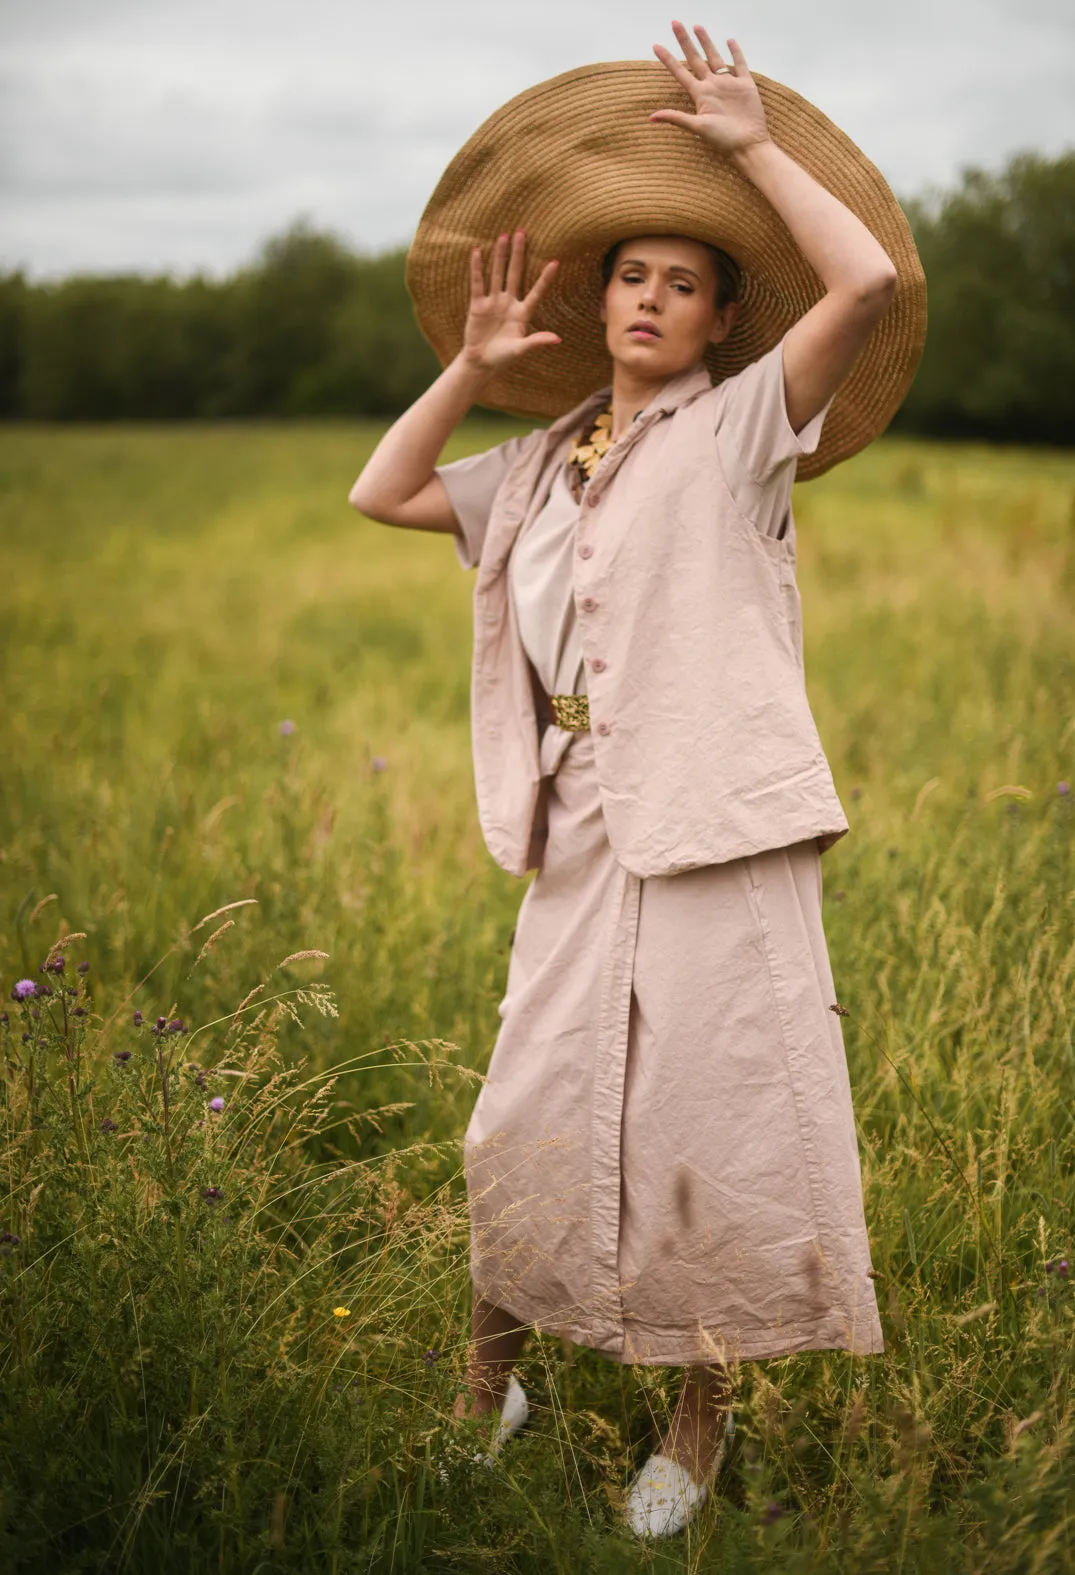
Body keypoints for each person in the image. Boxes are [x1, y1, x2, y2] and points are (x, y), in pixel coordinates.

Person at [350, 22, 924, 1540]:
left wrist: (746, 144)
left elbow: (862, 284)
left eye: (684, 281)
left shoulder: (741, 432)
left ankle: (696, 1419)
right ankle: (492, 1384)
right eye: (631, 275)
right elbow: (386, 490)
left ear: (723, 317)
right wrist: (465, 372)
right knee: (518, 1111)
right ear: (596, 298)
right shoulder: (539, 459)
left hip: (721, 827)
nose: (651, 299)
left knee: (709, 1125)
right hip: (583, 826)